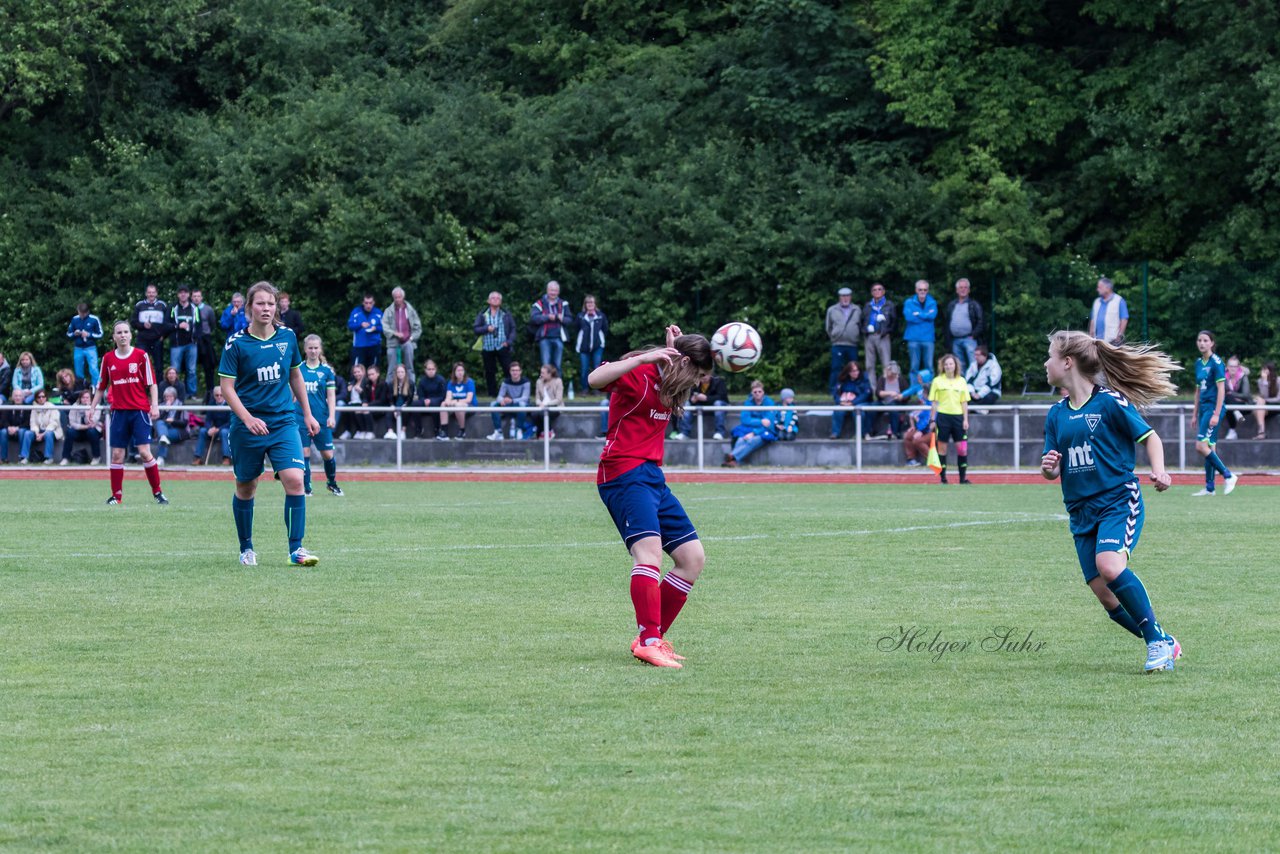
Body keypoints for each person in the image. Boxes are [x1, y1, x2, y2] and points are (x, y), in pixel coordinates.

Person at [1040, 329, 1182, 673]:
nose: (1046, 363)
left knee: (1110, 565)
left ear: (1068, 363)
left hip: (1118, 500)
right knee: (1104, 594)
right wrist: (1049, 467)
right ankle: (1163, 639)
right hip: (1080, 511)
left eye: (1050, 357)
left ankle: (1156, 645)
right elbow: (1050, 468)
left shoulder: (1111, 402)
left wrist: (1159, 471)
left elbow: (1151, 438)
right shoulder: (1056, 415)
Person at [591, 324, 714, 669]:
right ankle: (648, 641)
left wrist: (671, 355)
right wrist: (647, 357)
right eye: (698, 375)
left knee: (693, 558)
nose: (698, 382)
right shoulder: (641, 374)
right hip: (622, 473)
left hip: (652, 477)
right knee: (649, 554)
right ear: (686, 364)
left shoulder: (669, 382)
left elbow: (673, 379)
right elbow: (594, 379)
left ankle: (652, 636)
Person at [218, 280, 320, 567]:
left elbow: (296, 376)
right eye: (260, 303)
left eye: (271, 303)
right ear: (249, 307)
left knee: (295, 480)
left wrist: (308, 414)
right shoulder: (236, 343)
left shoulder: (287, 337)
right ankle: (246, 548)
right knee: (246, 487)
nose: (266, 308)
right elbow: (227, 388)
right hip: (247, 425)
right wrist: (248, 419)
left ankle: (296, 549)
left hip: (283, 421)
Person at [90, 320, 167, 505]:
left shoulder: (141, 356)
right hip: (118, 413)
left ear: (131, 335)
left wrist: (154, 405)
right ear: (114, 337)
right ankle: (116, 496)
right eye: (119, 332)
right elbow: (101, 387)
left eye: (126, 331)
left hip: (139, 411)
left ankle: (158, 492)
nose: (123, 335)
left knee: (144, 453)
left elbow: (152, 383)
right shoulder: (108, 359)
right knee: (117, 454)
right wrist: (91, 408)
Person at [1191, 331, 1238, 497]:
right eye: (1199, 340)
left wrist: (1216, 414)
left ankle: (1228, 475)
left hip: (1212, 409)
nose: (1202, 343)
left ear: (1212, 343)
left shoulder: (1217, 362)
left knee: (1201, 446)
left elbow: (1221, 390)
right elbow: (1197, 391)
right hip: (1204, 410)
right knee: (1209, 447)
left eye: (1205, 340)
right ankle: (1210, 487)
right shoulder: (1198, 363)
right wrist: (1195, 413)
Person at [297, 334, 343, 497]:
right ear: (305, 349)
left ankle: (331, 483)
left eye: (316, 348)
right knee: (304, 452)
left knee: (327, 454)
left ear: (320, 349)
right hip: (300, 417)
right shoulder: (298, 369)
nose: (313, 351)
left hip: (321, 418)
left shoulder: (327, 371)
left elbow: (331, 396)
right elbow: (292, 394)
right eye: (310, 348)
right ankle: (306, 487)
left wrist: (331, 416)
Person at [928, 353, 971, 484]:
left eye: (951, 364)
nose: (948, 366)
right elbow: (934, 403)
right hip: (943, 418)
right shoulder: (937, 381)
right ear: (943, 366)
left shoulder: (961, 381)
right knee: (942, 448)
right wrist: (932, 420)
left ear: (955, 365)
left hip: (958, 418)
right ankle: (943, 478)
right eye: (946, 364)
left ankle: (962, 479)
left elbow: (964, 402)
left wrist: (965, 419)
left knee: (962, 448)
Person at [722, 380, 778, 467]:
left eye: (759, 391)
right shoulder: (748, 402)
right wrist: (760, 421)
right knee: (741, 439)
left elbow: (768, 424)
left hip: (765, 431)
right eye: (755, 392)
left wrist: (754, 433)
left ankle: (732, 457)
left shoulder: (769, 403)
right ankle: (734, 461)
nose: (757, 394)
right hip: (750, 428)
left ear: (763, 392)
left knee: (752, 440)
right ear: (752, 393)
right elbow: (745, 419)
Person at [473, 291, 516, 398]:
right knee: (489, 371)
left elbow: (513, 329)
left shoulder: (506, 314)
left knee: (508, 369)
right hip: (487, 347)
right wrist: (486, 328)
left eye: (498, 298)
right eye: (493, 298)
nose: (496, 300)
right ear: (488, 301)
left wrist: (509, 342)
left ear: (501, 301)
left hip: (503, 346)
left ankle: (510, 392)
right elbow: (476, 329)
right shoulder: (482, 314)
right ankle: (492, 394)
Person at [381, 287, 422, 386]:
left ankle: (411, 388)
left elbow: (418, 327)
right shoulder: (388, 310)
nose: (397, 299)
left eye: (399, 297)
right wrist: (395, 333)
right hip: (392, 342)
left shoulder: (410, 310)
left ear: (403, 297)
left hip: (407, 341)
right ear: (393, 298)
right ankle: (388, 390)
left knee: (409, 367)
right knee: (391, 368)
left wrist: (411, 338)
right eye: (395, 297)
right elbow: (384, 327)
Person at [943, 277, 984, 375]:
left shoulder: (974, 305)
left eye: (965, 287)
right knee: (959, 365)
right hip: (955, 340)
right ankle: (963, 386)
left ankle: (974, 386)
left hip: (969, 339)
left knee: (973, 364)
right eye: (961, 287)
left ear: (969, 290)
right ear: (957, 290)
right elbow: (947, 322)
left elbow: (981, 321)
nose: (963, 289)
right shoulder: (952, 305)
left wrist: (973, 335)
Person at [825, 286, 861, 395]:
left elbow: (860, 325)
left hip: (852, 344)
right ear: (839, 297)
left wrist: (856, 336)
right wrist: (834, 337)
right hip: (838, 343)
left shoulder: (857, 309)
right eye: (843, 296)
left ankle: (856, 389)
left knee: (854, 369)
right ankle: (833, 390)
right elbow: (828, 327)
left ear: (850, 297)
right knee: (836, 368)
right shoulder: (832, 310)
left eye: (847, 296)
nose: (845, 298)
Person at [672, 371, 729, 440]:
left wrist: (707, 398)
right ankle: (684, 433)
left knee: (718, 403)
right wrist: (691, 400)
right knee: (687, 403)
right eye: (701, 375)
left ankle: (720, 432)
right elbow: (688, 395)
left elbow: (722, 397)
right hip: (699, 405)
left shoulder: (719, 381)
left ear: (710, 374)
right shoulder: (694, 383)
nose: (704, 377)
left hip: (715, 406)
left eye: (706, 374)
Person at [903, 279, 938, 384]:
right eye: (920, 289)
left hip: (928, 339)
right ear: (916, 290)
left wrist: (918, 314)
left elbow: (932, 316)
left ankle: (930, 391)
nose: (922, 292)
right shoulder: (908, 302)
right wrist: (925, 315)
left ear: (927, 290)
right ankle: (914, 389)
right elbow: (909, 317)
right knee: (914, 366)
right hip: (913, 338)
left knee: (929, 366)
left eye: (925, 289)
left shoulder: (932, 302)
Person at [168, 285, 200, 399]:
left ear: (188, 295)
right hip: (176, 345)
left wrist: (196, 338)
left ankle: (191, 393)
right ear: (178, 295)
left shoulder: (194, 308)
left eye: (185, 292)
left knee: (191, 370)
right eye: (181, 292)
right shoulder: (173, 307)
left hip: (191, 345)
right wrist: (178, 325)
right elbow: (166, 325)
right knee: (174, 370)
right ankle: (174, 393)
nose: (183, 294)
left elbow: (199, 325)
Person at [530, 280, 569, 372]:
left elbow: (570, 320)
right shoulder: (539, 303)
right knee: (545, 365)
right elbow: (534, 319)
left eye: (555, 290)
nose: (553, 292)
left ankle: (558, 386)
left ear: (558, 292)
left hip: (559, 337)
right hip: (544, 338)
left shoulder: (563, 304)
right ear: (547, 290)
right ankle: (545, 386)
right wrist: (547, 317)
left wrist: (561, 318)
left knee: (557, 365)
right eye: (551, 290)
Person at [131, 284, 168, 375]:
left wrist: (164, 336)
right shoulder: (139, 305)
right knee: (140, 364)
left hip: (157, 340)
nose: (151, 294)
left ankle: (159, 388)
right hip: (143, 340)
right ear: (146, 294)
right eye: (149, 292)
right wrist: (143, 325)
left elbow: (167, 323)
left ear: (156, 293)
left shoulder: (162, 305)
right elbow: (133, 322)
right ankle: (141, 388)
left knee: (159, 366)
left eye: (153, 292)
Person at [488, 361, 530, 440]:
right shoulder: (506, 382)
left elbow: (525, 398)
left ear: (520, 372)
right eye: (513, 370)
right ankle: (498, 432)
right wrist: (502, 400)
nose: (515, 372)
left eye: (517, 370)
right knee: (493, 404)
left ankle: (519, 430)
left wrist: (512, 400)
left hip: (520, 405)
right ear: (510, 372)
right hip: (509, 404)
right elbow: (499, 396)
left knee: (522, 404)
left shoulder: (526, 382)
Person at [575, 295, 608, 394]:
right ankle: (585, 389)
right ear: (585, 305)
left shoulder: (601, 316)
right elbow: (576, 329)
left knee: (597, 367)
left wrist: (599, 340)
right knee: (584, 369)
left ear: (595, 304)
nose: (590, 304)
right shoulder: (580, 316)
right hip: (583, 348)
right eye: (588, 303)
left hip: (598, 347)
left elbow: (605, 329)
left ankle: (597, 389)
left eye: (592, 302)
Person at [830, 360, 871, 440]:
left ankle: (861, 433)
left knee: (858, 411)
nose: (856, 373)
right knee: (838, 410)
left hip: (860, 402)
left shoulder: (864, 378)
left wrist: (853, 403)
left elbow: (866, 394)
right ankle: (835, 433)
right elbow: (836, 393)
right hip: (845, 402)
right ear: (848, 372)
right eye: (853, 371)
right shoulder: (842, 379)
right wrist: (840, 402)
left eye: (857, 370)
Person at [863, 282, 896, 380]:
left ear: (884, 291)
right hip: (869, 337)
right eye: (874, 290)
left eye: (879, 289)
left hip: (883, 337)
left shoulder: (889, 305)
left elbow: (894, 321)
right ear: (871, 293)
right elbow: (862, 320)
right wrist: (865, 331)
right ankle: (872, 390)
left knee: (886, 365)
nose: (877, 291)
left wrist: (888, 331)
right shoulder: (868, 306)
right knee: (869, 365)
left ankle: (886, 390)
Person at [193, 385, 232, 465]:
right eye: (217, 395)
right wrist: (210, 428)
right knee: (203, 431)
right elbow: (208, 420)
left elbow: (231, 422)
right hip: (214, 429)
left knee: (224, 432)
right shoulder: (212, 404)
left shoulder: (230, 404)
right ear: (214, 396)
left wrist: (219, 429)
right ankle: (198, 457)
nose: (219, 397)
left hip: (226, 429)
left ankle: (226, 458)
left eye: (221, 395)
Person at [67, 302, 104, 387]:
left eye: (83, 314)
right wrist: (74, 334)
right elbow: (68, 333)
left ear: (87, 312)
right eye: (79, 313)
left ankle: (97, 387)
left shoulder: (94, 319)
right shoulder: (75, 319)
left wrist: (89, 335)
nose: (81, 315)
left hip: (90, 348)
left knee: (94, 369)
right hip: (78, 348)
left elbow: (100, 334)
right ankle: (81, 388)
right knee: (78, 370)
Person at [61, 389, 102, 465]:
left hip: (92, 431)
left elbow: (92, 423)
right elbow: (72, 423)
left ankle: (96, 457)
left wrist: (87, 410)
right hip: (80, 430)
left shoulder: (97, 406)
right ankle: (65, 458)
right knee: (70, 432)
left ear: (91, 398)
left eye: (87, 397)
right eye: (83, 397)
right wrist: (85, 427)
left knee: (92, 431)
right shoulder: (75, 406)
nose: (85, 399)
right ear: (80, 398)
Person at [868, 361, 907, 439]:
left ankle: (894, 432)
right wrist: (889, 393)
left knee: (893, 408)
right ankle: (868, 432)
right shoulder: (882, 378)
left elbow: (906, 394)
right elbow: (878, 393)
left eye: (893, 374)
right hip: (883, 401)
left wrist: (900, 396)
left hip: (896, 402)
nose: (892, 376)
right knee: (871, 408)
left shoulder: (901, 379)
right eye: (891, 373)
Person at [191, 288, 218, 394]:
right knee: (191, 367)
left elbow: (212, 324)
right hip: (192, 340)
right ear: (191, 297)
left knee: (208, 366)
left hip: (205, 340)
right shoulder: (189, 308)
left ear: (201, 297)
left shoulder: (208, 309)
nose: (196, 298)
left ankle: (210, 390)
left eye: (198, 296)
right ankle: (191, 393)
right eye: (194, 296)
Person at [153, 386, 190, 463]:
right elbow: (157, 421)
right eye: (166, 396)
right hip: (165, 429)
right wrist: (166, 409)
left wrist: (173, 421)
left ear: (174, 396)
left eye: (170, 396)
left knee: (163, 436)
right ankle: (163, 437)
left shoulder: (181, 405)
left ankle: (161, 457)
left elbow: (184, 423)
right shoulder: (162, 406)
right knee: (161, 428)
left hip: (179, 430)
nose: (168, 398)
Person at [414, 358, 448, 440]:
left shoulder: (441, 380)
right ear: (425, 370)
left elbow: (443, 396)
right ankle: (419, 430)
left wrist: (431, 401)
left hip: (437, 402)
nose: (431, 371)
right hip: (425, 402)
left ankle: (437, 429)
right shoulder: (422, 381)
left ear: (436, 369)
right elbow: (420, 395)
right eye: (429, 369)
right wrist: (424, 401)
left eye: (433, 369)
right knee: (414, 404)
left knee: (434, 404)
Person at [347, 293, 383, 368]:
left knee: (374, 370)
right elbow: (350, 326)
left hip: (374, 345)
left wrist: (376, 328)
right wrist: (360, 325)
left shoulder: (378, 313)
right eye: (366, 303)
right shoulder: (356, 312)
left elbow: (385, 327)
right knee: (357, 370)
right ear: (363, 303)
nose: (368, 305)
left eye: (370, 303)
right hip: (359, 346)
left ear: (373, 303)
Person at [26, 389, 62, 463]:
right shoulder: (34, 408)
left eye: (43, 396)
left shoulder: (52, 407)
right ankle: (24, 457)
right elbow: (33, 423)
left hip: (52, 431)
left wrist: (43, 434)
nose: (41, 398)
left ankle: (49, 458)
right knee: (27, 433)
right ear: (36, 399)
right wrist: (37, 433)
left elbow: (54, 423)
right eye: (39, 397)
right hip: (38, 432)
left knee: (48, 434)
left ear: (46, 398)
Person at [1088, 276, 1128, 343]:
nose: (1097, 289)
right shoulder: (1096, 301)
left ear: (1107, 288)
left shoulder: (1119, 300)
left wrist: (1119, 336)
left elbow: (1124, 320)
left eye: (1099, 287)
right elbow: (1092, 319)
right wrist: (1090, 335)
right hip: (1096, 341)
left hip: (1112, 341)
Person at [441, 362, 475, 439]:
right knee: (443, 404)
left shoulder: (469, 382)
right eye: (458, 370)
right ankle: (444, 432)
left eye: (462, 370)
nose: (460, 372)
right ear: (454, 372)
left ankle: (462, 430)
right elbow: (448, 398)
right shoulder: (451, 383)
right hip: (456, 405)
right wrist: (448, 402)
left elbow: (468, 399)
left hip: (470, 406)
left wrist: (456, 401)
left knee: (458, 405)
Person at [1222, 355, 1251, 440]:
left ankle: (1232, 430)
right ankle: (1235, 413)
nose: (1233, 368)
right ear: (1227, 367)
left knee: (1228, 397)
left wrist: (1232, 394)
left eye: (1235, 366)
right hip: (1229, 406)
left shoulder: (1243, 377)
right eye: (1231, 366)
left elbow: (1246, 395)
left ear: (1238, 367)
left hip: (1244, 405)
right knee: (1227, 400)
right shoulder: (1223, 377)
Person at [534, 363, 564, 439]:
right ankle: (540, 433)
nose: (541, 374)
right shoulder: (539, 381)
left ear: (549, 374)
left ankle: (549, 431)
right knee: (534, 413)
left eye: (543, 373)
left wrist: (546, 404)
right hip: (541, 406)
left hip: (555, 407)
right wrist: (540, 403)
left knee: (542, 413)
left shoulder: (558, 381)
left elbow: (558, 399)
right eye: (541, 372)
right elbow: (537, 398)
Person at [1252, 361, 1279, 439]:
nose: (1264, 371)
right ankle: (1262, 433)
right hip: (1264, 406)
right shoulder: (1260, 381)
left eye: (1266, 369)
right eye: (1263, 369)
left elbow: (1278, 399)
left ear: (1271, 370)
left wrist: (1265, 400)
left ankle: (1261, 433)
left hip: (1275, 405)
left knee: (1259, 403)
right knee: (1259, 403)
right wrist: (1264, 382)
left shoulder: (1278, 381)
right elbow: (1263, 395)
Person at [386, 362, 414, 439]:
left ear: (405, 373)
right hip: (395, 405)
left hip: (405, 405)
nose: (400, 374)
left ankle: (403, 431)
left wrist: (402, 408)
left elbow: (409, 399)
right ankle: (390, 431)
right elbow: (390, 398)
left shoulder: (410, 383)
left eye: (402, 372)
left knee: (406, 411)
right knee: (389, 411)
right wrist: (394, 408)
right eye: (398, 372)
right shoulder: (391, 384)